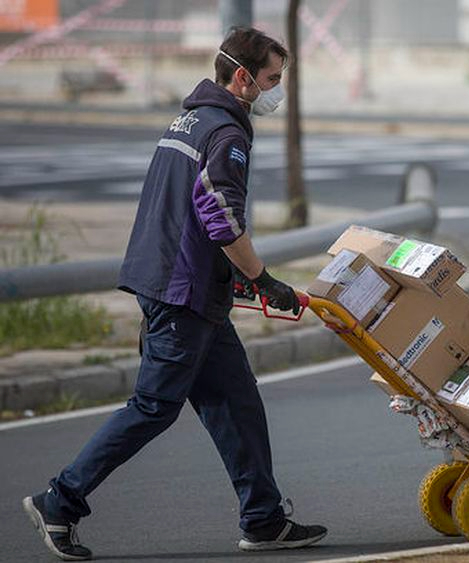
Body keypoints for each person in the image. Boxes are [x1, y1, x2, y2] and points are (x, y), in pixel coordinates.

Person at [22, 27, 326, 561]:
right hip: (180, 293)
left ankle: (264, 519)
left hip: (181, 284)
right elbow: (218, 215)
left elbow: (180, 207)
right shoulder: (227, 133)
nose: (277, 90)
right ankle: (60, 500)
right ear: (242, 77)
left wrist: (229, 278)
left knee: (237, 401)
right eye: (273, 79)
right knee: (154, 407)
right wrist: (261, 278)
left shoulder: (189, 119)